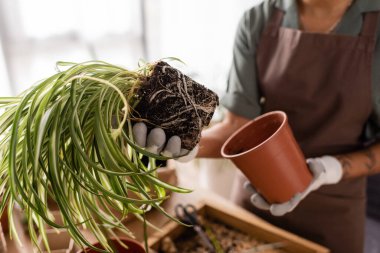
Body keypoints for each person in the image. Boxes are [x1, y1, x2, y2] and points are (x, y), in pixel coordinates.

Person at [133, 0, 380, 252]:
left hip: (334, 209)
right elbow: (237, 126)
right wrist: (189, 146)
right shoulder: (259, 20)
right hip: (256, 197)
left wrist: (330, 169)